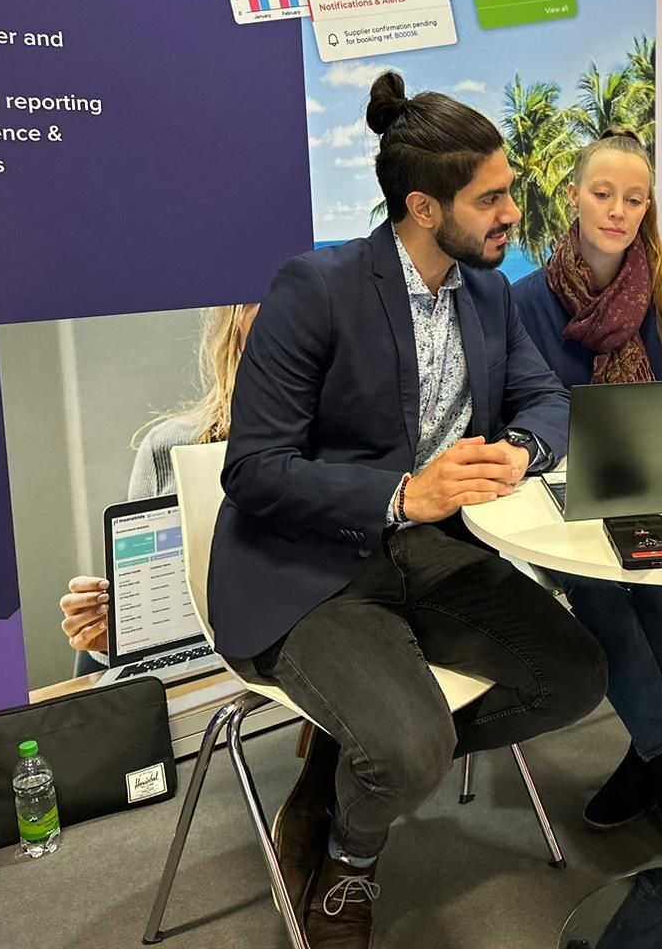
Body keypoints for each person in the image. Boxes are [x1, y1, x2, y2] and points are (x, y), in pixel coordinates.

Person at [209, 70, 607, 948]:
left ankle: (350, 765)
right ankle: (351, 859)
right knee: (408, 750)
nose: (513, 213)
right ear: (424, 209)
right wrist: (401, 495)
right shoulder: (314, 289)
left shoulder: (489, 294)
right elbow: (255, 471)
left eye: (509, 192)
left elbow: (547, 402)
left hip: (430, 557)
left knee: (575, 677)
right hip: (308, 569)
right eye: (491, 199)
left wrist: (522, 450)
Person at [512, 129, 662, 830]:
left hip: (656, 491)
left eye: (633, 199)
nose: (617, 210)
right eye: (602, 194)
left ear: (647, 207)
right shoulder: (523, 304)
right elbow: (514, 417)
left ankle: (653, 755)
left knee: (655, 581)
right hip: (556, 503)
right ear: (573, 196)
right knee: (597, 583)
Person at [58, 303, 259, 663]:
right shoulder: (168, 446)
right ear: (234, 340)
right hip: (209, 676)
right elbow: (154, 635)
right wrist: (111, 637)